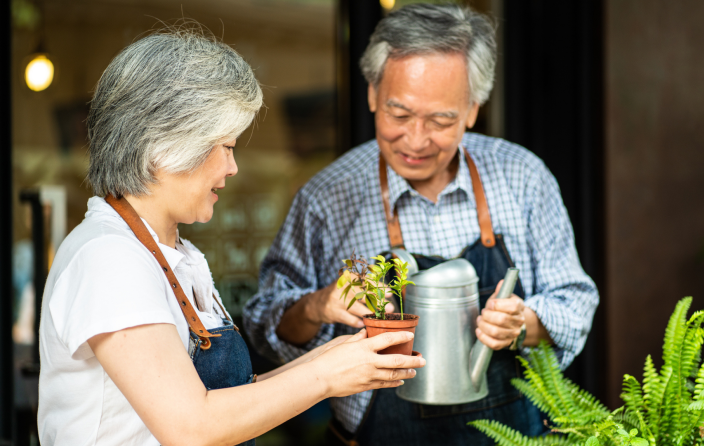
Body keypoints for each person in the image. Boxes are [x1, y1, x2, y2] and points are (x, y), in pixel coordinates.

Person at [37, 25, 424, 446]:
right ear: (163, 145)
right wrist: (325, 376)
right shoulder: (109, 258)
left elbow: (228, 399)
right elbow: (191, 427)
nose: (233, 167)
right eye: (225, 146)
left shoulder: (174, 253)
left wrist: (336, 359)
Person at [243, 4, 600, 446]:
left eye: (440, 120)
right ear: (373, 94)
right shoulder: (326, 198)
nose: (415, 140)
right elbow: (264, 323)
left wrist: (524, 323)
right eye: (399, 115)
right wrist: (318, 306)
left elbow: (575, 302)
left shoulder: (522, 176)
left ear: (472, 109)